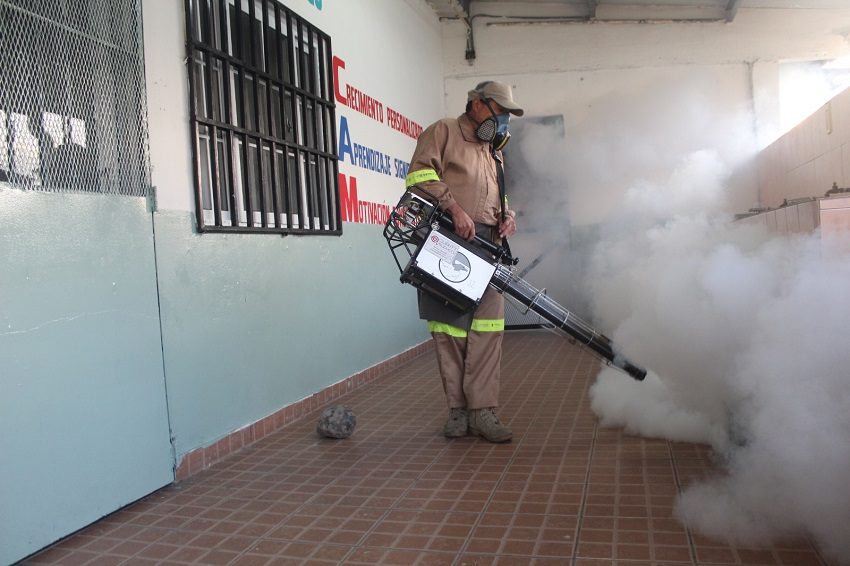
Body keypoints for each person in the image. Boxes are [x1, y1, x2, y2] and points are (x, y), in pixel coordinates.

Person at [404, 80, 523, 443]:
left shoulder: (494, 150)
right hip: (450, 242)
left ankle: (482, 411)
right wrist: (452, 207)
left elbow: (497, 195)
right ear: (476, 104)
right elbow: (419, 176)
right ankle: (457, 410)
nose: (502, 120)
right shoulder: (444, 131)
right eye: (498, 111)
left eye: (506, 115)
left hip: (488, 245)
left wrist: (509, 216)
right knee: (451, 329)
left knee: (488, 330)